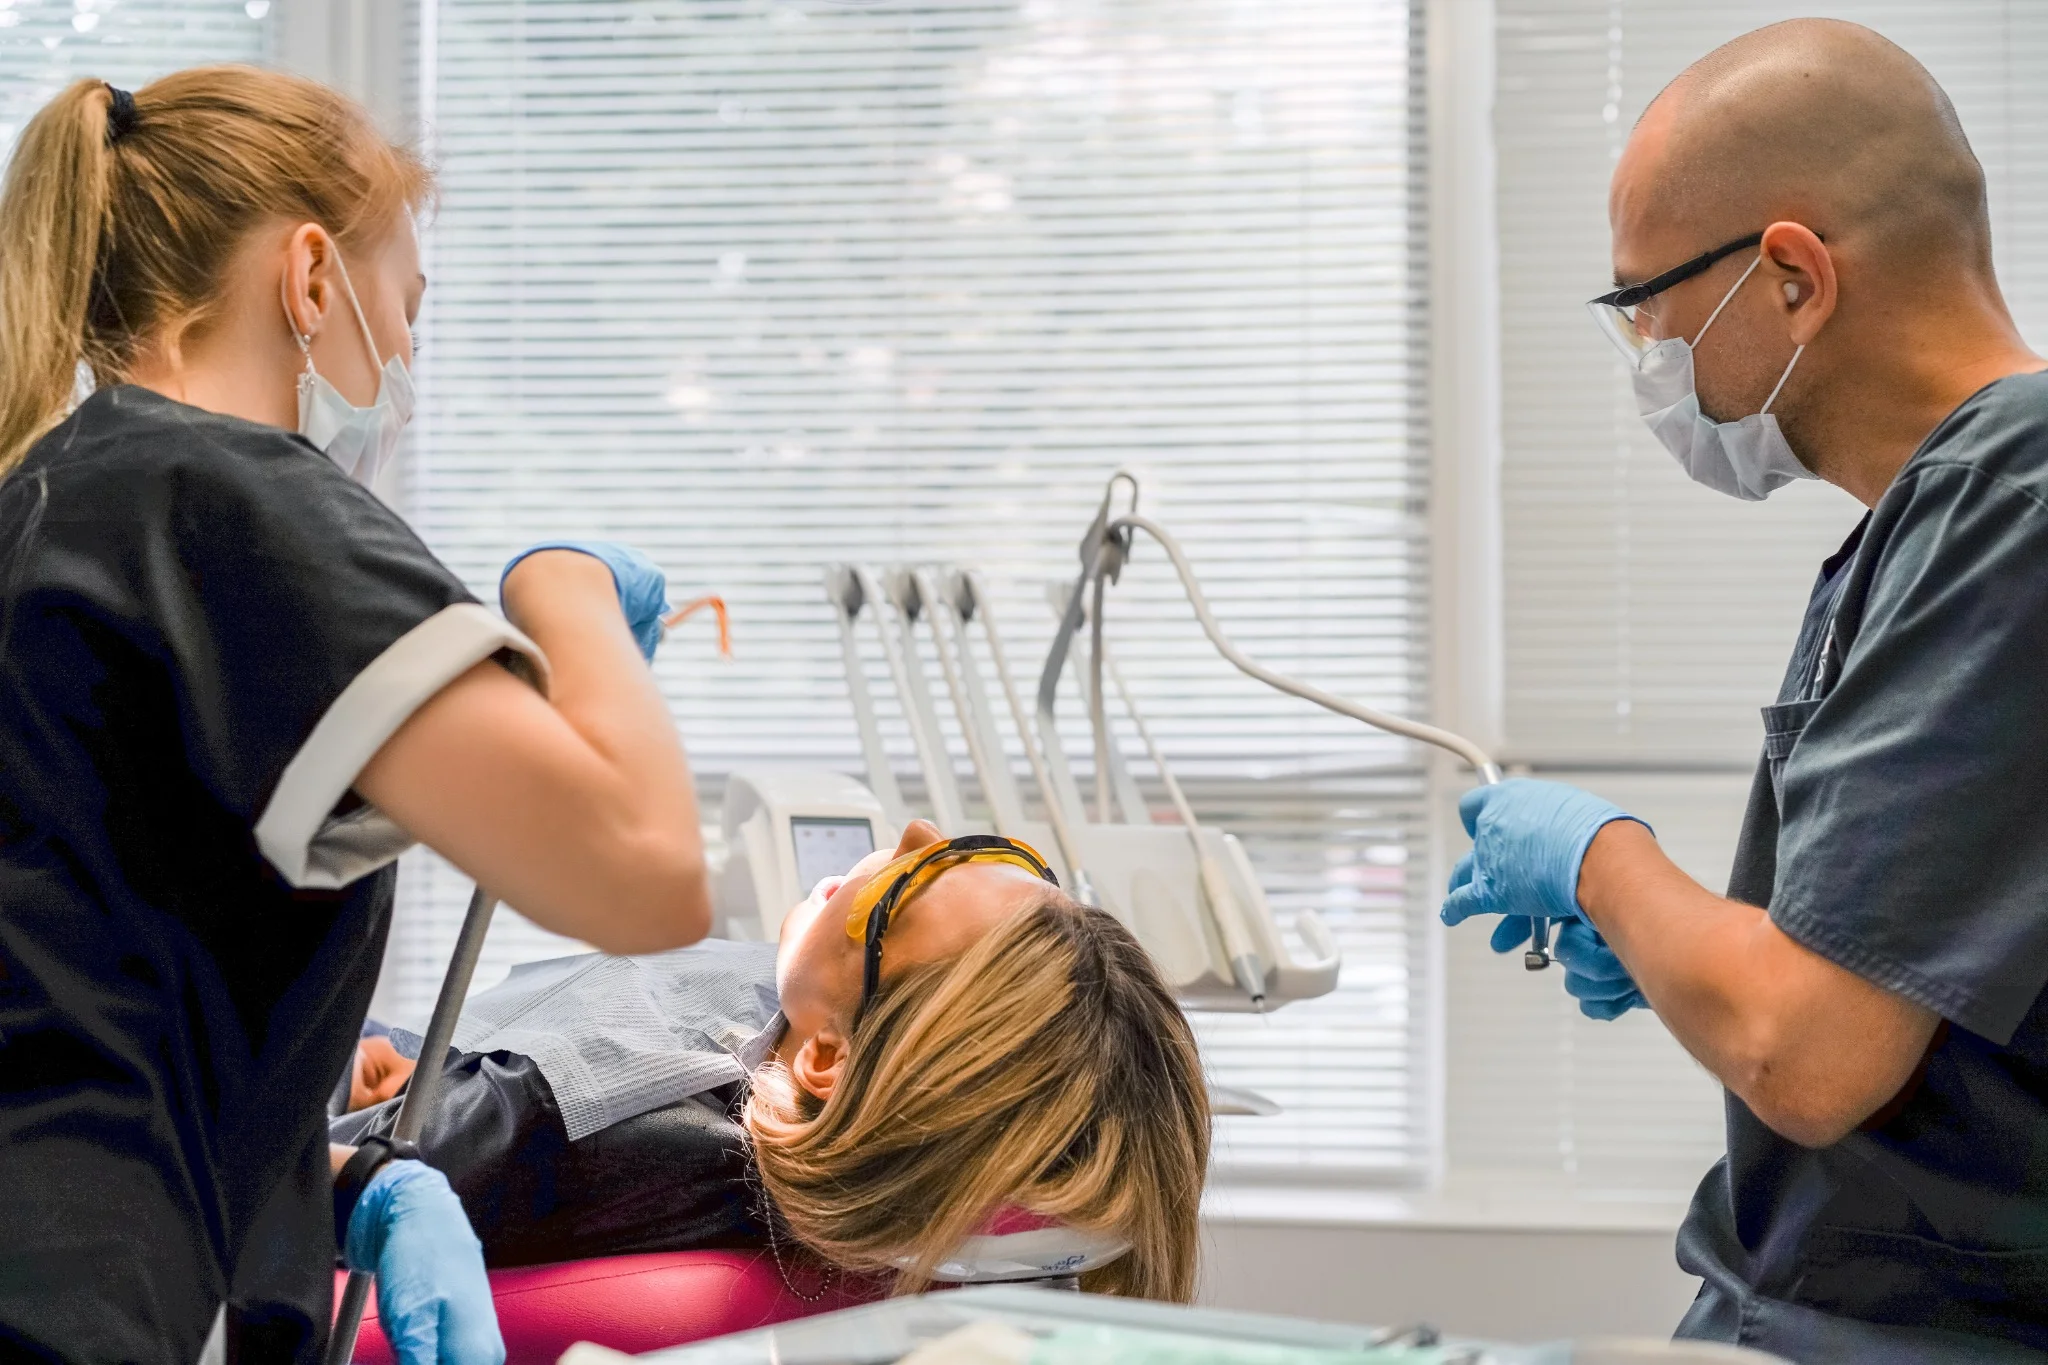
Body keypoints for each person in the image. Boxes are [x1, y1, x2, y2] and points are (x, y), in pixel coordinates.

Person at [0, 68, 712, 1365]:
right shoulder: (219, 493)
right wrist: (570, 596)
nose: (408, 363)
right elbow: (645, 870)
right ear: (312, 279)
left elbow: (100, 1007)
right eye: (406, 310)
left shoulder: (54, 506)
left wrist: (334, 1182)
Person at [1439, 19, 2048, 1364]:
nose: (1645, 351)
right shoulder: (1935, 523)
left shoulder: (2018, 499)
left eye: (1643, 303)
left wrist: (1601, 861)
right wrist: (1678, 946)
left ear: (1791, 275)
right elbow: (1878, 970)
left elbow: (1810, 1051)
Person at [333, 820, 1211, 1301]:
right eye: (980, 851)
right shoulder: (796, 1034)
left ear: (827, 1053)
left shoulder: (590, 1109)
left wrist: (447, 1094)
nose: (913, 830)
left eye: (904, 887)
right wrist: (430, 1067)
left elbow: (297, 1171)